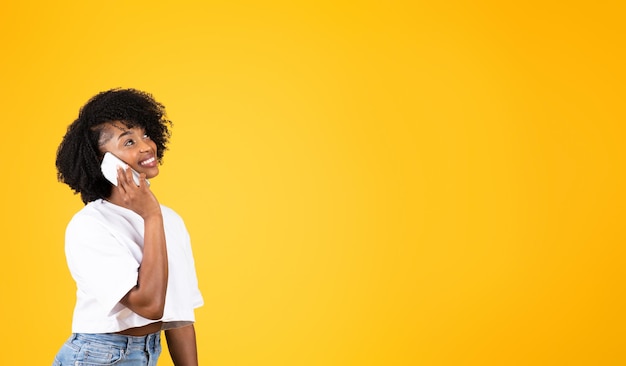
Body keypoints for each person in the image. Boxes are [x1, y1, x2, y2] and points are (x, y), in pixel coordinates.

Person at [53, 88, 203, 366]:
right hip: (97, 356)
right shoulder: (89, 226)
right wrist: (151, 218)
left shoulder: (170, 220)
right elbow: (149, 305)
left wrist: (155, 216)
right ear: (102, 161)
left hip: (147, 353)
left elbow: (178, 315)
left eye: (146, 135)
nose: (146, 146)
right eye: (129, 141)